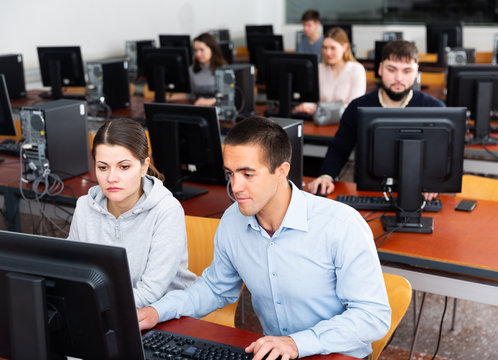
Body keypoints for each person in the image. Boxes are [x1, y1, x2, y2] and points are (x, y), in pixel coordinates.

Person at [137, 116, 391, 360]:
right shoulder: (232, 220)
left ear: (281, 171)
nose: (235, 187)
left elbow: (372, 315)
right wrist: (158, 311)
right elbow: (215, 288)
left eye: (248, 174)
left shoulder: (340, 225)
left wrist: (297, 343)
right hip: (275, 353)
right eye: (230, 174)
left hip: (336, 355)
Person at [68, 118, 196, 308]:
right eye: (103, 167)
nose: (111, 178)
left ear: (144, 167)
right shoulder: (84, 206)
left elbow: (150, 293)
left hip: (165, 315)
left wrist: (91, 304)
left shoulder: (167, 211)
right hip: (105, 311)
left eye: (124, 167)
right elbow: (71, 271)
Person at [308, 40, 445, 197]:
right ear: (380, 69)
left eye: (407, 71)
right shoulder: (358, 107)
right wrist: (326, 175)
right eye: (391, 70)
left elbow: (443, 157)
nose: (399, 78)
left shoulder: (434, 109)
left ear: (416, 72)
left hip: (418, 194)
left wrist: (435, 183)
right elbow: (339, 149)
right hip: (368, 192)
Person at [293, 27, 366, 115]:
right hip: (320, 121)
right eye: (325, 48)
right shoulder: (319, 68)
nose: (327, 52)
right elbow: (313, 101)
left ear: (345, 47)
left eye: (332, 48)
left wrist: (319, 109)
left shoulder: (357, 69)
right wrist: (305, 106)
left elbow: (354, 106)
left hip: (345, 122)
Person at [189, 32, 227, 106]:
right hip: (199, 107)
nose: (198, 54)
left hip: (218, 108)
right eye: (195, 50)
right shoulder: (191, 69)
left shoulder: (224, 69)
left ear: (212, 49)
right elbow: (191, 94)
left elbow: (227, 96)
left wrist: (212, 100)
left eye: (201, 50)